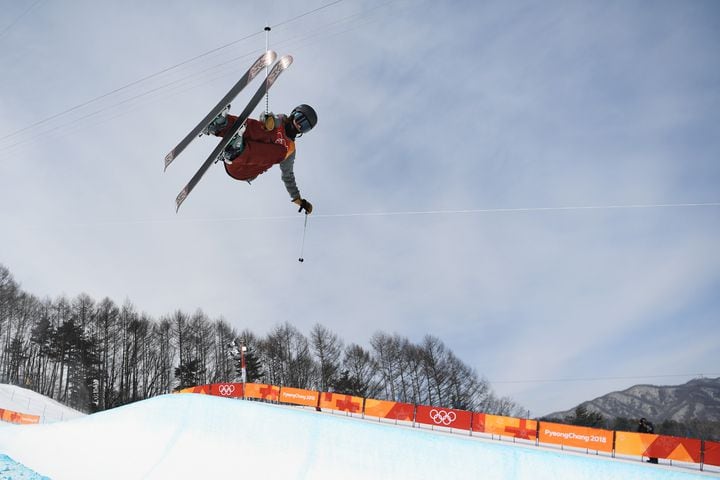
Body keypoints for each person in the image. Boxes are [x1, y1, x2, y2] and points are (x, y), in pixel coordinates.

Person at [204, 104, 317, 214]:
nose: (300, 125)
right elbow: (261, 121)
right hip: (236, 155)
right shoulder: (279, 121)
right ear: (293, 113)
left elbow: (288, 176)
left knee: (281, 151)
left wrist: (297, 198)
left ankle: (237, 151)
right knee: (265, 130)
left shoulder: (290, 150)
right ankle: (221, 125)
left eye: (305, 126)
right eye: (300, 118)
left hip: (244, 170)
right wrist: (267, 120)